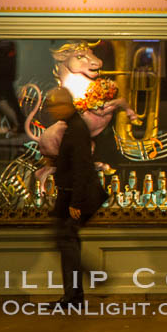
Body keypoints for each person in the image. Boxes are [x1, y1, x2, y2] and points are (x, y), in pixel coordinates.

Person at [46, 87, 108, 306]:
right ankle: (75, 294)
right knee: (67, 241)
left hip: (75, 197)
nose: (52, 111)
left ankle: (77, 291)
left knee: (65, 240)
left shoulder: (77, 128)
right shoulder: (73, 127)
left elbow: (82, 167)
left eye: (54, 106)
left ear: (65, 105)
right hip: (70, 195)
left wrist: (76, 203)